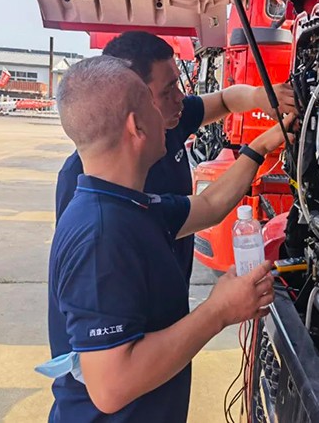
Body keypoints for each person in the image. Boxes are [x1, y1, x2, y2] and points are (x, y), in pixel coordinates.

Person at [45, 56, 292, 422]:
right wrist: (218, 311)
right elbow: (111, 386)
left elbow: (209, 205)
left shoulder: (127, 205)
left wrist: (261, 146)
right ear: (136, 126)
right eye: (151, 103)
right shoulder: (101, 235)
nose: (166, 114)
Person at [55, 31, 297, 284]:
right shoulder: (87, 188)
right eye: (168, 89)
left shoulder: (169, 122)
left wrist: (259, 97)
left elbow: (225, 100)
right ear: (132, 100)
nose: (180, 97)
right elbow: (209, 207)